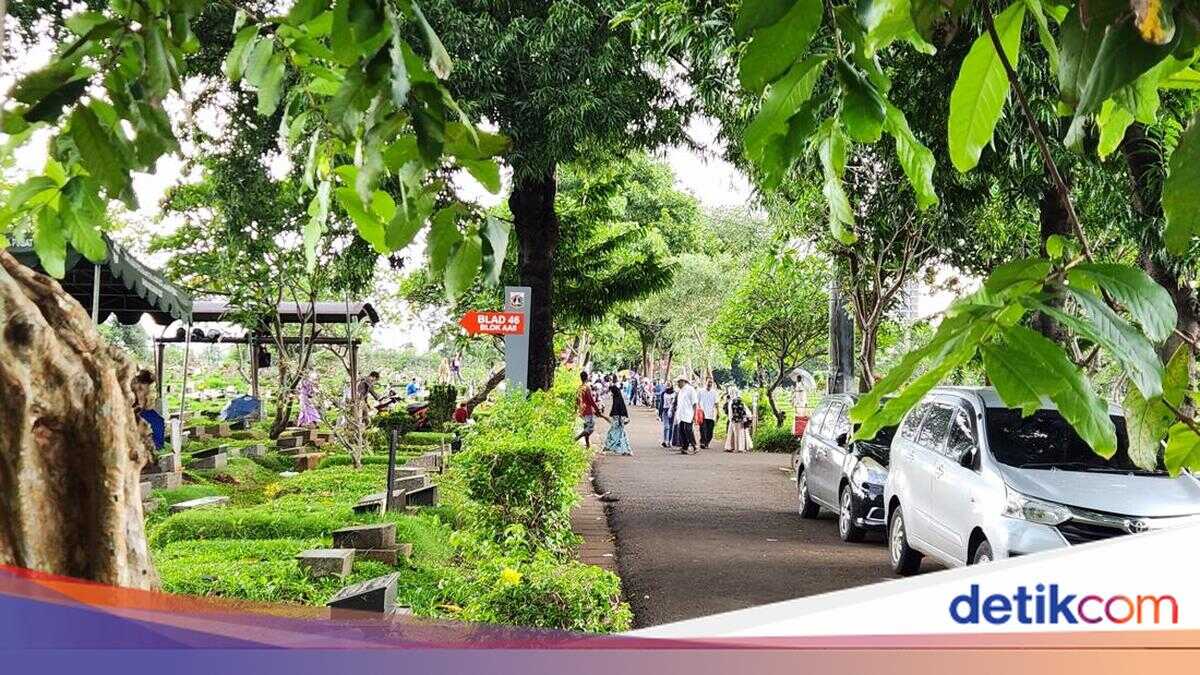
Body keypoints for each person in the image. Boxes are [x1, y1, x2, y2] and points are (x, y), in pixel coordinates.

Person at [575, 371, 608, 449]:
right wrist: (597, 409)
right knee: (590, 428)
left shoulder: (579, 388)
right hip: (588, 410)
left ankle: (587, 445)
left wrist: (576, 409)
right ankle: (576, 438)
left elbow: (577, 400)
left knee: (586, 427)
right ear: (587, 378)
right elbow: (591, 400)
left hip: (582, 411)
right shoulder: (587, 388)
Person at [603, 377, 633, 455]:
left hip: (617, 420)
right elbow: (623, 410)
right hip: (620, 420)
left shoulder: (616, 400)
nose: (611, 394)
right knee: (620, 435)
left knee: (613, 434)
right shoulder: (619, 398)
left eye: (612, 392)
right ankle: (624, 450)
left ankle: (610, 448)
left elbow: (615, 412)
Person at [673, 376, 700, 454]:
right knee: (681, 430)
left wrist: (695, 415)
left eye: (679, 382)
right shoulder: (680, 391)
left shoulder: (690, 389)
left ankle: (695, 445)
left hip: (688, 414)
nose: (678, 384)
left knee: (688, 430)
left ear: (683, 381)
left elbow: (695, 403)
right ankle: (684, 447)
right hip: (681, 414)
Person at [724, 386, 754, 453]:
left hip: (733, 420)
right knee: (741, 434)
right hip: (741, 420)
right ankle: (741, 447)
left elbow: (730, 413)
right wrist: (748, 417)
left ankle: (731, 447)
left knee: (732, 434)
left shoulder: (731, 402)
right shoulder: (740, 401)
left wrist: (730, 419)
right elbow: (745, 410)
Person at [697, 378, 719, 449]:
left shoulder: (714, 393)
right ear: (705, 382)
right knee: (703, 429)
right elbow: (697, 402)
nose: (709, 384)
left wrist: (718, 412)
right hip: (702, 414)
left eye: (711, 382)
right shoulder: (700, 391)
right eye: (708, 382)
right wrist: (698, 411)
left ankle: (707, 442)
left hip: (711, 415)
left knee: (710, 431)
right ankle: (702, 442)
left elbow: (716, 403)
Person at [659, 382, 676, 448]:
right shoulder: (663, 393)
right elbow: (661, 403)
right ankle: (665, 440)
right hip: (665, 410)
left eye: (669, 384)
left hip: (672, 411)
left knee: (671, 426)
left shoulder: (675, 393)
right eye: (667, 384)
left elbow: (676, 403)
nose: (668, 385)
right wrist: (660, 413)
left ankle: (669, 441)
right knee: (666, 426)